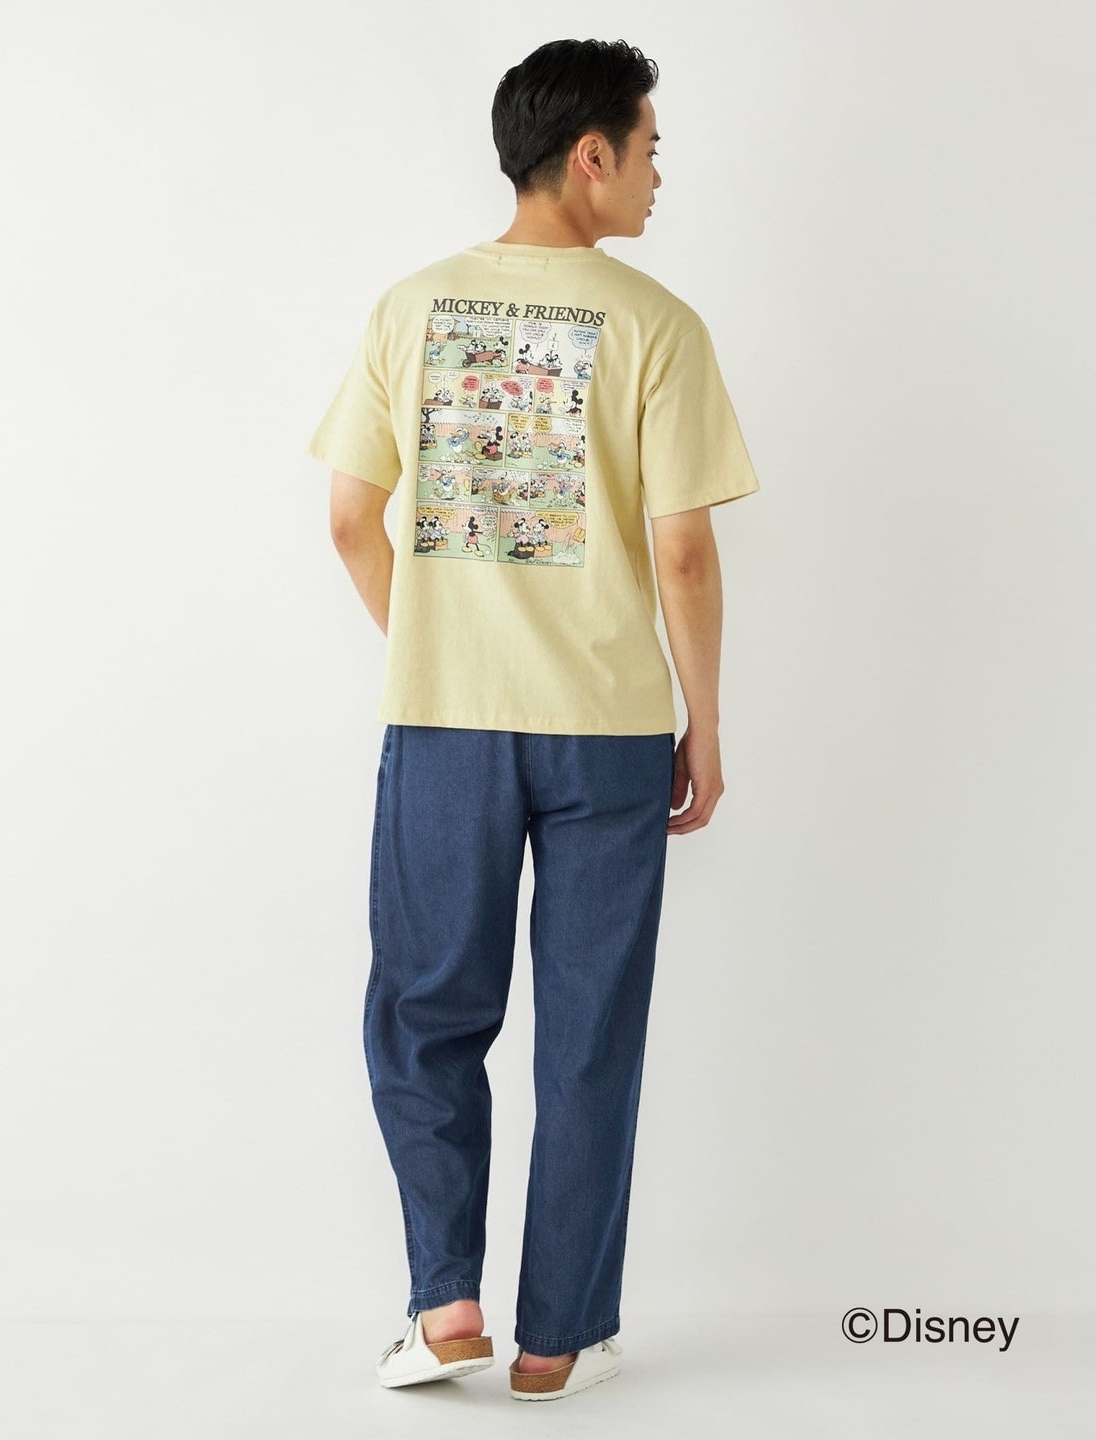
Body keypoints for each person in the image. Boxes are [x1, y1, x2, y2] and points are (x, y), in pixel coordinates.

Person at [305, 37, 761, 1402]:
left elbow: (349, 519)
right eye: (651, 149)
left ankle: (446, 1303)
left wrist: (439, 644)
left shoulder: (411, 308)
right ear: (591, 155)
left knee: (426, 1009)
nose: (660, 175)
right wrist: (705, 723)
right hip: (608, 730)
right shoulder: (658, 327)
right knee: (590, 1026)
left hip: (445, 721)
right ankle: (558, 1337)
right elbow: (683, 553)